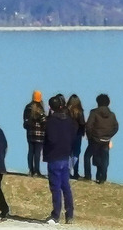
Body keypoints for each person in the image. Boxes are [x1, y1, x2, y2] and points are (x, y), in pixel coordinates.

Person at [43, 93, 76, 225]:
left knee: (55, 187)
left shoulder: (51, 121)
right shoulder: (69, 120)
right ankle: (70, 215)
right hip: (65, 155)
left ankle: (56, 215)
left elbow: (50, 138)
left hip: (54, 156)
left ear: (51, 107)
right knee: (65, 186)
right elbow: (73, 135)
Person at [85, 93, 119, 184]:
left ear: (98, 102)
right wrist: (109, 135)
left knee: (87, 156)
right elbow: (116, 127)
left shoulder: (94, 112)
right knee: (104, 159)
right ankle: (102, 177)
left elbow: (88, 126)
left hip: (95, 139)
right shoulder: (112, 115)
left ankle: (88, 176)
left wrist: (90, 137)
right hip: (106, 140)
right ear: (108, 103)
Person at [22, 91, 46, 177]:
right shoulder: (40, 108)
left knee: (30, 151)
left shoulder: (28, 107)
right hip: (39, 134)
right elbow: (44, 121)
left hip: (30, 133)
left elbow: (25, 120)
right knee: (37, 153)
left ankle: (30, 170)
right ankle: (37, 171)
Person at [66, 94, 86, 179]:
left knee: (68, 154)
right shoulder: (80, 111)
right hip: (77, 134)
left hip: (67, 134)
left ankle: (67, 171)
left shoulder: (66, 111)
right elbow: (82, 123)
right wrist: (83, 132)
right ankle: (76, 172)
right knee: (76, 154)